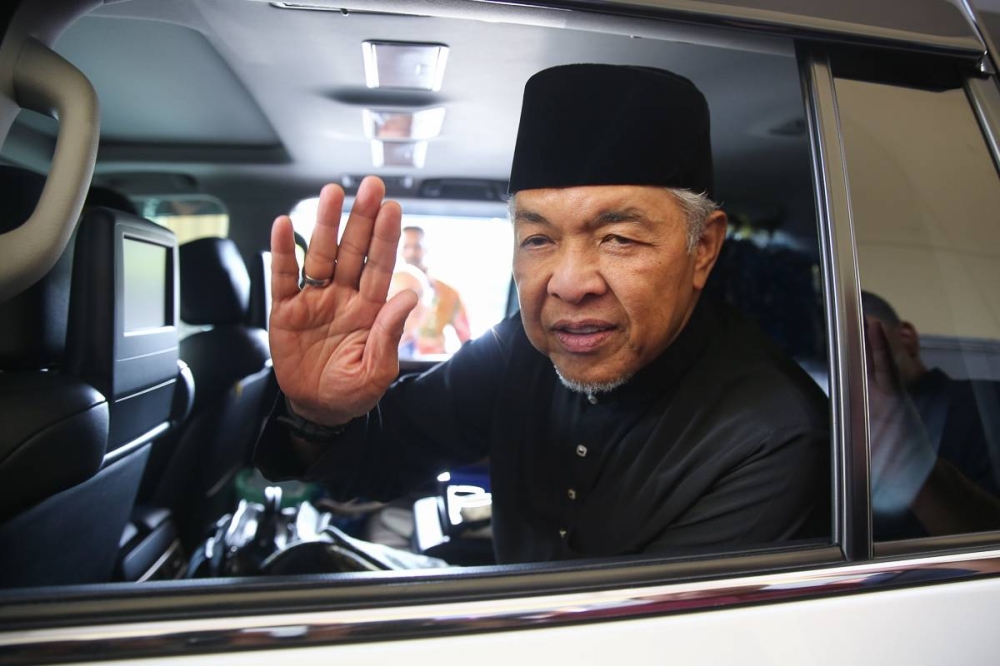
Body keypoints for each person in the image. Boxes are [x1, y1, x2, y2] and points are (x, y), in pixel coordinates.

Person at [255, 64, 829, 563]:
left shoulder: (773, 434)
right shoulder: (517, 351)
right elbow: (380, 463)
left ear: (701, 248)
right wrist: (317, 413)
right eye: (538, 240)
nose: (570, 283)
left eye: (619, 238)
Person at [862, 291, 1000, 538]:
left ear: (907, 336)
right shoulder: (839, 434)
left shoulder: (989, 400)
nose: (846, 355)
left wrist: (913, 466)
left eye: (860, 336)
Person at [400, 226, 472, 354]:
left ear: (426, 249)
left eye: (417, 247)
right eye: (406, 247)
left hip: (432, 367)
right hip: (393, 368)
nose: (411, 253)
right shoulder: (387, 292)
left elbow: (466, 340)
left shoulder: (448, 293)